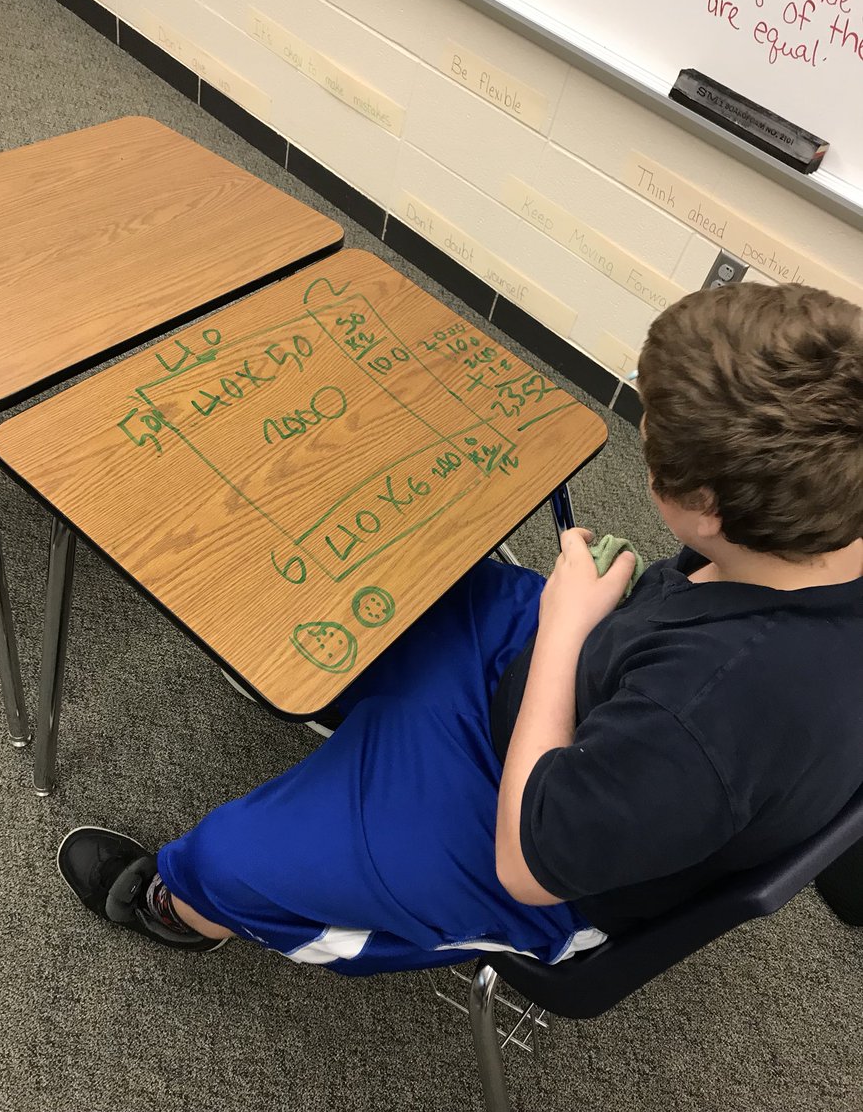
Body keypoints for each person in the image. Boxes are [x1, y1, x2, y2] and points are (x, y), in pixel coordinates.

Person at [58, 282, 863, 973]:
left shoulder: (709, 709)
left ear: (707, 508)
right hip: (585, 677)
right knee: (392, 570)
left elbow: (526, 864)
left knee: (226, 860)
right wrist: (571, 634)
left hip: (539, 836)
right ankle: (349, 704)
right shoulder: (827, 520)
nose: (642, 450)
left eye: (649, 449)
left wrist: (563, 628)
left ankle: (183, 909)